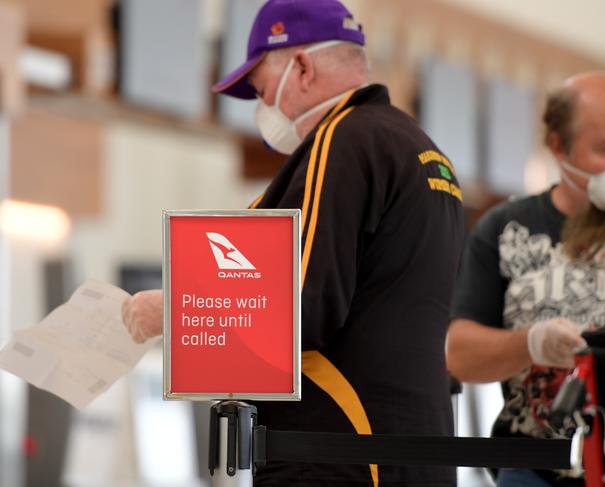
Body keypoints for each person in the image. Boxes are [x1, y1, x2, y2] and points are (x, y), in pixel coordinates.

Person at [122, 0, 465, 485]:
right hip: (411, 451)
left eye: (263, 91)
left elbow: (302, 305)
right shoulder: (424, 151)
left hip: (336, 454)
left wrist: (173, 313)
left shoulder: (342, 139)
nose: (264, 111)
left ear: (302, 67)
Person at [446, 71, 605, 487]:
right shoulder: (505, 229)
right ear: (558, 145)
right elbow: (459, 354)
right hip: (534, 466)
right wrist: (531, 343)